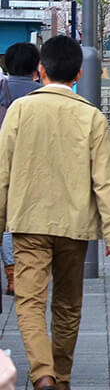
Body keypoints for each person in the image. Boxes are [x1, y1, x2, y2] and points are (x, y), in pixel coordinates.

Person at [0, 34, 110, 390]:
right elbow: (106, 177)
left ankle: (43, 375)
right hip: (74, 226)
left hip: (30, 221)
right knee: (68, 305)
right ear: (79, 73)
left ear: (41, 70)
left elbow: (2, 170)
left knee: (30, 302)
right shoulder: (91, 116)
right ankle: (63, 378)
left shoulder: (20, 110)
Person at [0, 41, 41, 296]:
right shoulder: (43, 94)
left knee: (7, 222)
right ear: (36, 66)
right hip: (35, 166)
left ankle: (12, 273)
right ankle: (28, 271)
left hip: (4, 163)